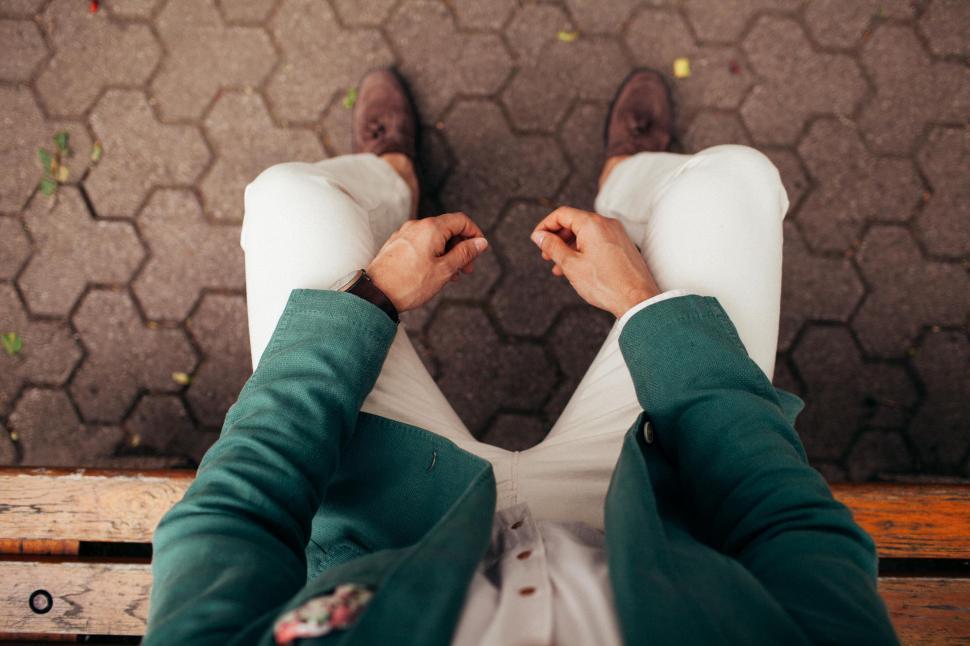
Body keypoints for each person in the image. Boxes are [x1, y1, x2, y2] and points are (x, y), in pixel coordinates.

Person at [143, 68, 898, 645]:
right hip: (643, 502)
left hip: (389, 516)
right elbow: (794, 528)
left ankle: (391, 180)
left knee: (287, 200)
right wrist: (645, 306)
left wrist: (369, 296)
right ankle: (632, 178)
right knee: (736, 180)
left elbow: (234, 517)